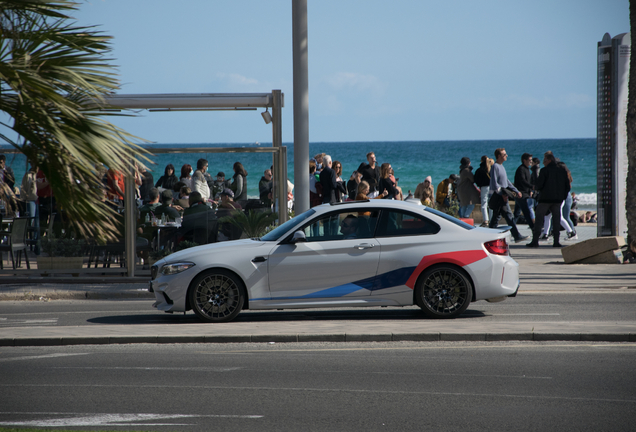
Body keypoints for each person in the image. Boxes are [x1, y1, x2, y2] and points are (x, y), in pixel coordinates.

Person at [526, 151, 570, 248]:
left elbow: (539, 185)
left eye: (544, 160)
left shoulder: (544, 171)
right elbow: (567, 186)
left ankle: (535, 241)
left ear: (549, 160)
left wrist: (535, 187)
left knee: (539, 219)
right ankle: (556, 241)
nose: (543, 162)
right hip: (558, 200)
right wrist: (563, 196)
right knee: (556, 220)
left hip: (545, 199)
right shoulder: (562, 171)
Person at [488, 148, 528, 243]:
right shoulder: (495, 166)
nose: (506, 155)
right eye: (504, 154)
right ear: (499, 156)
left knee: (497, 217)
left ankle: (489, 236)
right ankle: (516, 236)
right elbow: (494, 184)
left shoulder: (501, 166)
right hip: (500, 197)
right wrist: (502, 194)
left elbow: (506, 181)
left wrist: (516, 190)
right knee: (506, 216)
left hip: (503, 196)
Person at [20, 163, 39, 254]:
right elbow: (23, 187)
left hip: (38, 199)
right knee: (31, 221)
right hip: (30, 200)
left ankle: (36, 242)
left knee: (37, 223)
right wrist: (23, 198)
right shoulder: (28, 175)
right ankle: (31, 242)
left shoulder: (39, 174)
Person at [513, 153, 535, 229]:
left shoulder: (527, 169)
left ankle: (512, 230)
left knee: (516, 214)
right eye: (529, 160)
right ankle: (534, 229)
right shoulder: (521, 169)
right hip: (521, 194)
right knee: (526, 213)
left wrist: (531, 190)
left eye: (531, 160)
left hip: (525, 194)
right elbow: (523, 181)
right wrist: (531, 186)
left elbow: (529, 181)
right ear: (524, 160)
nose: (531, 161)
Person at [474, 156, 493, 227]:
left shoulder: (480, 170)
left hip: (484, 187)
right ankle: (491, 219)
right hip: (492, 187)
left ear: (481, 161)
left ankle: (486, 220)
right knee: (491, 204)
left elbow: (475, 179)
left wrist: (479, 184)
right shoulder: (491, 169)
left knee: (484, 204)